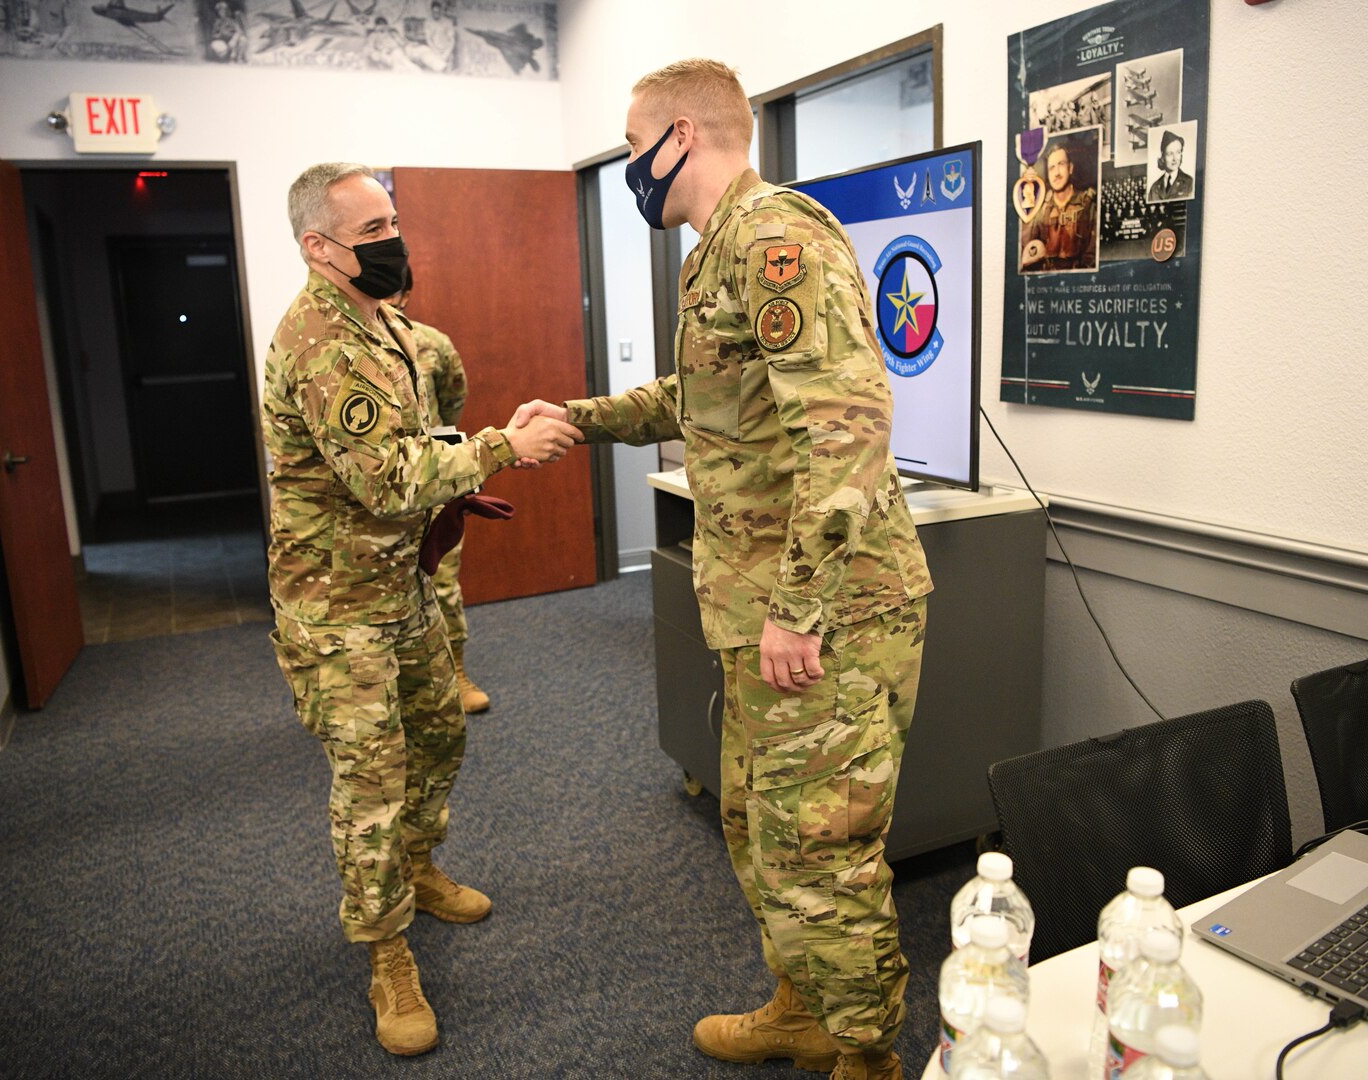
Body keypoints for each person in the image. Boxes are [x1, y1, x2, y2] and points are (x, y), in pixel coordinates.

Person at [512, 60, 932, 1080]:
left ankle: (869, 1056)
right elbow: (708, 398)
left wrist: (798, 608)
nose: (629, 170)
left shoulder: (777, 238)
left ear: (682, 137)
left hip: (822, 619)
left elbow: (847, 433)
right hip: (761, 616)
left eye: (630, 149)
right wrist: (586, 420)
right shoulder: (720, 254)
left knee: (823, 854)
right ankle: (802, 1008)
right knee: (756, 825)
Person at [263, 163, 579, 1057]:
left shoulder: (390, 326)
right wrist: (501, 448)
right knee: (370, 781)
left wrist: (470, 443)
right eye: (371, 233)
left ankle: (418, 867)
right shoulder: (318, 341)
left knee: (440, 731)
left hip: (399, 586)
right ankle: (386, 951)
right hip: (335, 610)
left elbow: (416, 441)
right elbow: (385, 476)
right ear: (319, 249)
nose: (392, 242)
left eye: (391, 222)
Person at [384, 271, 491, 714]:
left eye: (394, 291)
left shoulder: (433, 345)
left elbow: (450, 406)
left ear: (407, 294)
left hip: (430, 484)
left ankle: (458, 672)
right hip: (379, 492)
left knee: (443, 584)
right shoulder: (343, 350)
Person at [1020, 142, 1098, 272]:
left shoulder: (1088, 207)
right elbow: (1029, 251)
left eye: (1061, 164)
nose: (1056, 173)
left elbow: (1092, 257)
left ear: (1070, 168)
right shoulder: (1041, 209)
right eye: (1051, 168)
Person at [1146, 129, 1195, 202]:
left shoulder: (1189, 183)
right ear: (1163, 157)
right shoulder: (1154, 187)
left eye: (1178, 152)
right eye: (1170, 154)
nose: (1175, 159)